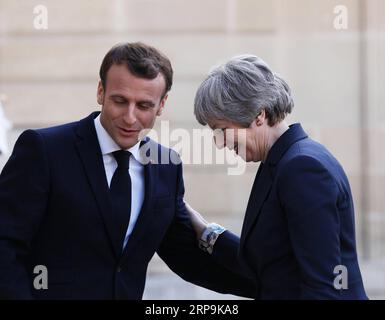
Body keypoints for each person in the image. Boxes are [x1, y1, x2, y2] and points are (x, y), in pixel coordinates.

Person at [0, 42, 255, 299]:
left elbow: (186, 257)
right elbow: (5, 244)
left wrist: (274, 285)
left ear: (162, 104)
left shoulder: (166, 164)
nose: (130, 117)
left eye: (144, 106)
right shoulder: (44, 150)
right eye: (120, 101)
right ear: (101, 91)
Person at [186, 54, 368, 299]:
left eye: (223, 130)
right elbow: (270, 267)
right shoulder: (282, 161)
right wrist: (205, 231)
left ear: (258, 115)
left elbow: (323, 287)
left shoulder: (302, 169)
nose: (220, 143)